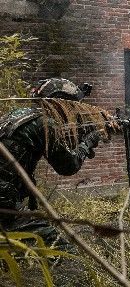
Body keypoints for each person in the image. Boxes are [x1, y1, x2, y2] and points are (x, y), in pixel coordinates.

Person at [0, 78, 100, 249]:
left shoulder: (18, 115)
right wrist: (87, 143)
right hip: (4, 204)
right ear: (60, 104)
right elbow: (68, 167)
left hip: (6, 199)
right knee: (61, 248)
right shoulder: (47, 124)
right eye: (72, 107)